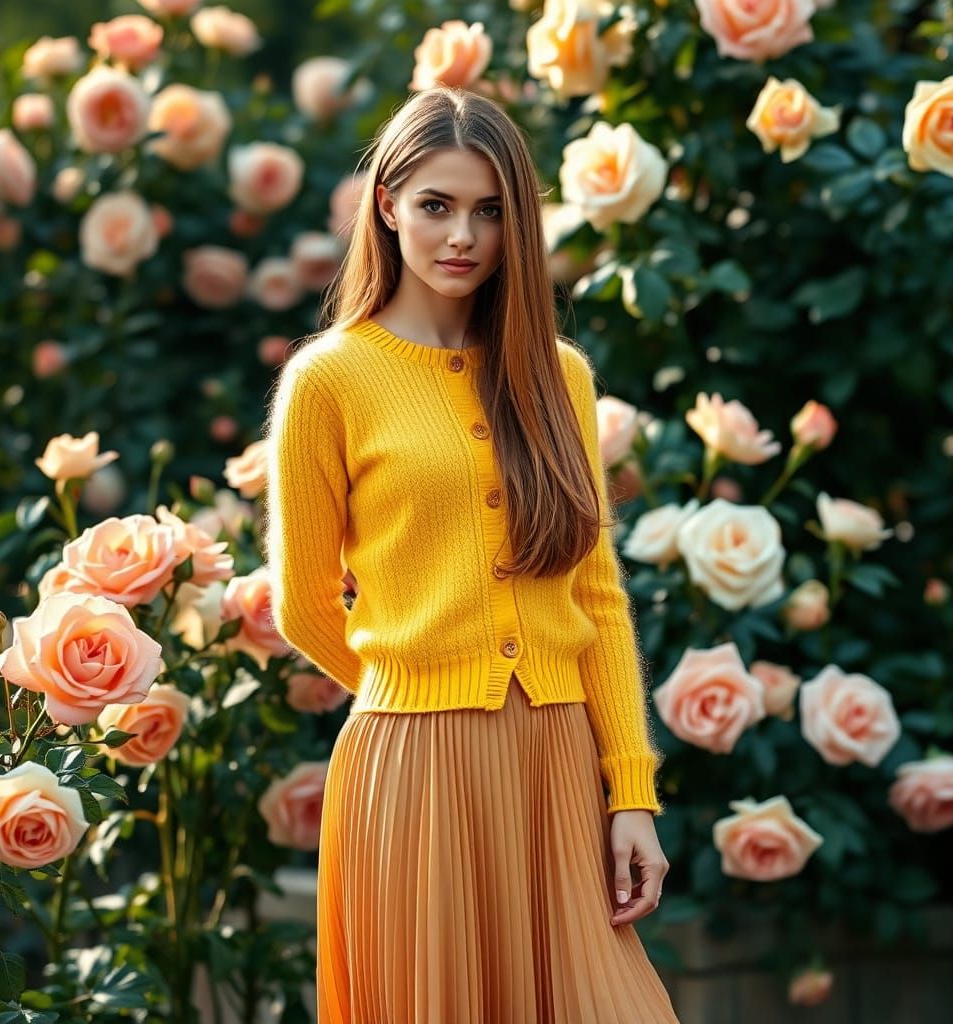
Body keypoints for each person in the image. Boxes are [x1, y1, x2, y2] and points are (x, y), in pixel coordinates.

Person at [264, 85, 681, 1023]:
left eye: (491, 211)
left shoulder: (556, 376)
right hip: (414, 771)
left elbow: (598, 598)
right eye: (436, 206)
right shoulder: (328, 380)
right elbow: (303, 606)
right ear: (387, 206)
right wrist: (415, 692)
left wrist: (631, 794)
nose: (464, 236)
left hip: (558, 765)